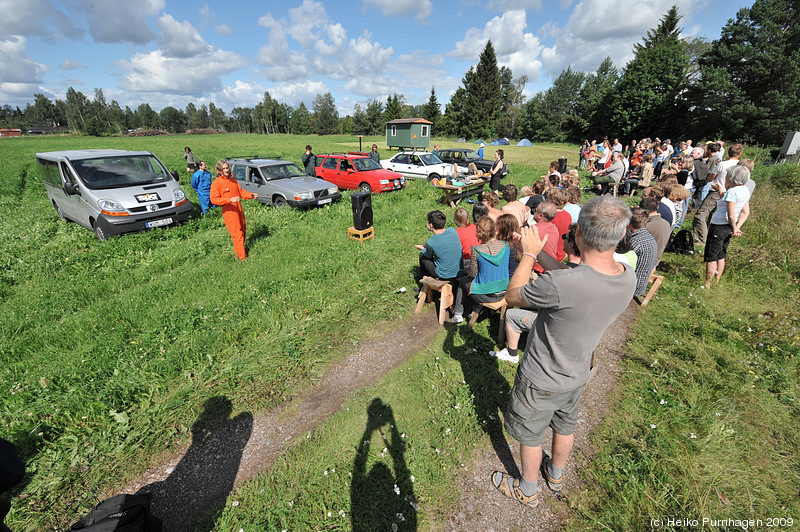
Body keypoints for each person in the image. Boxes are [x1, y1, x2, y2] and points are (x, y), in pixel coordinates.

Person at [492, 196, 636, 509]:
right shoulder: (627, 276)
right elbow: (569, 279)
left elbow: (513, 296)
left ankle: (528, 489)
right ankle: (555, 475)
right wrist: (532, 250)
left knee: (531, 435)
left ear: (579, 234)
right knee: (565, 426)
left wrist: (528, 255)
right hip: (578, 373)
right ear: (619, 235)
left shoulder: (563, 284)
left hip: (541, 379)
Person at [454, 216, 510, 324]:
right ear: (495, 230)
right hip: (505, 289)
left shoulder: (477, 250)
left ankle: (458, 313)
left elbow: (473, 273)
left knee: (463, 281)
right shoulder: (505, 245)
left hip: (486, 294)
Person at [704, 166, 751, 289]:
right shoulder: (745, 190)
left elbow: (730, 215)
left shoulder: (732, 192)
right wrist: (736, 227)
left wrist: (734, 227)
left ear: (731, 178)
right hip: (728, 228)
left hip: (719, 226)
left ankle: (707, 284)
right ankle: (716, 281)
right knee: (721, 254)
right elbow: (745, 211)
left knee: (712, 256)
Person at [693, 144, 742, 245]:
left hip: (716, 192)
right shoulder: (741, 166)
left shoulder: (722, 164)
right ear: (740, 154)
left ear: (728, 152)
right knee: (714, 217)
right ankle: (710, 238)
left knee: (700, 215)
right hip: (731, 195)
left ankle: (701, 239)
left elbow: (710, 178)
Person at [210, 160, 258, 261]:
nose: (227, 170)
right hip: (230, 214)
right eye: (224, 168)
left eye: (227, 167)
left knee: (243, 230)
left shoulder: (233, 181)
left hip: (239, 210)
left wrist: (250, 195)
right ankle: (243, 257)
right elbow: (214, 199)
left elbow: (241, 192)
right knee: (237, 234)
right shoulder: (216, 183)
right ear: (219, 170)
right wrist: (229, 200)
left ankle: (240, 250)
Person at [414, 210, 461, 282]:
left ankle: (424, 281)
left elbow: (429, 256)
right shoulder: (453, 231)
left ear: (431, 225)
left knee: (422, 256)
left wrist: (422, 249)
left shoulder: (430, 242)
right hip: (459, 271)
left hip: (444, 275)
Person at [629, 207, 658, 298]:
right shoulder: (647, 237)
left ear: (629, 223)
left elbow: (623, 262)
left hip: (633, 286)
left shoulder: (635, 242)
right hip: (641, 284)